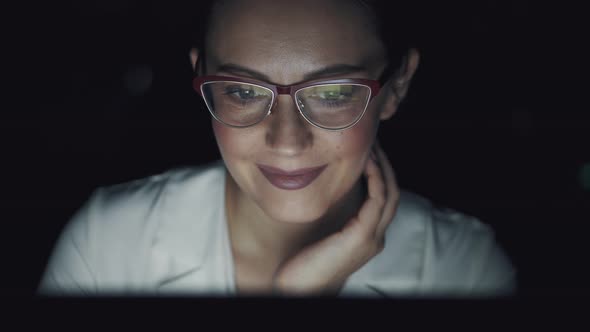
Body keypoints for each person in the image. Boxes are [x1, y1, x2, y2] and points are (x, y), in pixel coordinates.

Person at [38, 0, 516, 297]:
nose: (287, 141)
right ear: (200, 78)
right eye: (243, 91)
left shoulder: (466, 269)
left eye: (332, 93)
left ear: (396, 86)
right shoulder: (107, 244)